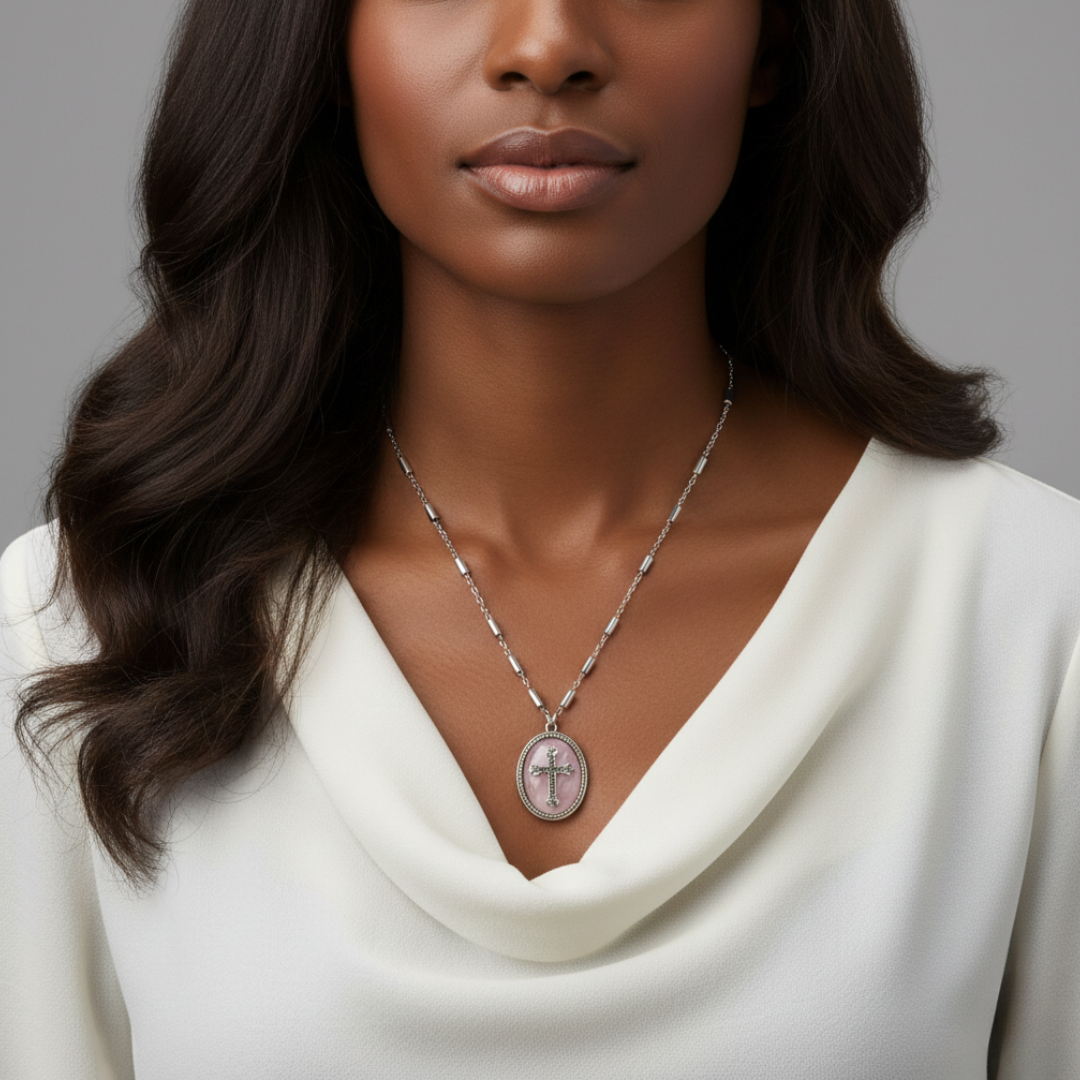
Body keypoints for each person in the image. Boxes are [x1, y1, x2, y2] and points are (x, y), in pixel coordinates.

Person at [2, 0, 1078, 1075]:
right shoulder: (68, 625)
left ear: (777, 44)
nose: (546, 48)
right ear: (326, 47)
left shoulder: (1031, 615)